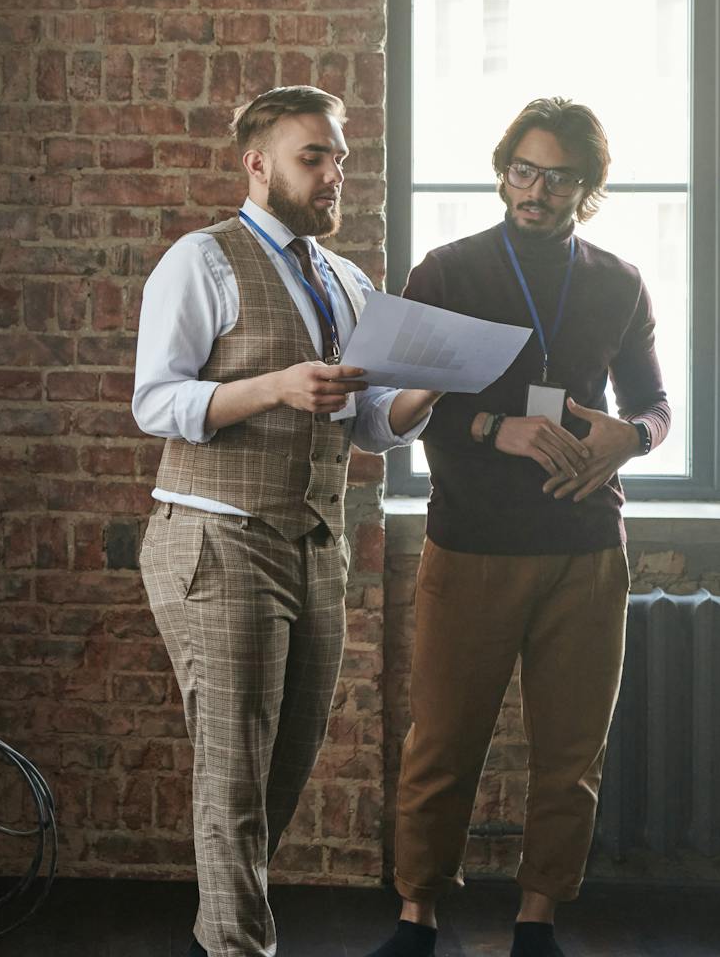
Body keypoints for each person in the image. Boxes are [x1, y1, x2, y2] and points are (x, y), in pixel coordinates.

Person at [131, 86, 442, 957]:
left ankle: (217, 937)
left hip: (315, 546)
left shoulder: (346, 282)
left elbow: (373, 422)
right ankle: (241, 949)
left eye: (339, 156)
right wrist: (273, 386)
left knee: (282, 768)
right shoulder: (203, 261)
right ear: (257, 163)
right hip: (217, 537)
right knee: (232, 776)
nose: (335, 173)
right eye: (316, 156)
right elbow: (154, 401)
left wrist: (431, 384)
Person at [367, 99, 667, 957]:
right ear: (504, 170)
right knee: (443, 744)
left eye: (557, 176)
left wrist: (631, 437)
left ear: (588, 185)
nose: (535, 190)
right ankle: (416, 915)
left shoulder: (618, 278)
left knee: (571, 752)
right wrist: (495, 428)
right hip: (471, 543)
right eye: (522, 171)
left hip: (585, 549)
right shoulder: (449, 270)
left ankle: (538, 919)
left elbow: (655, 403)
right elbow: (393, 402)